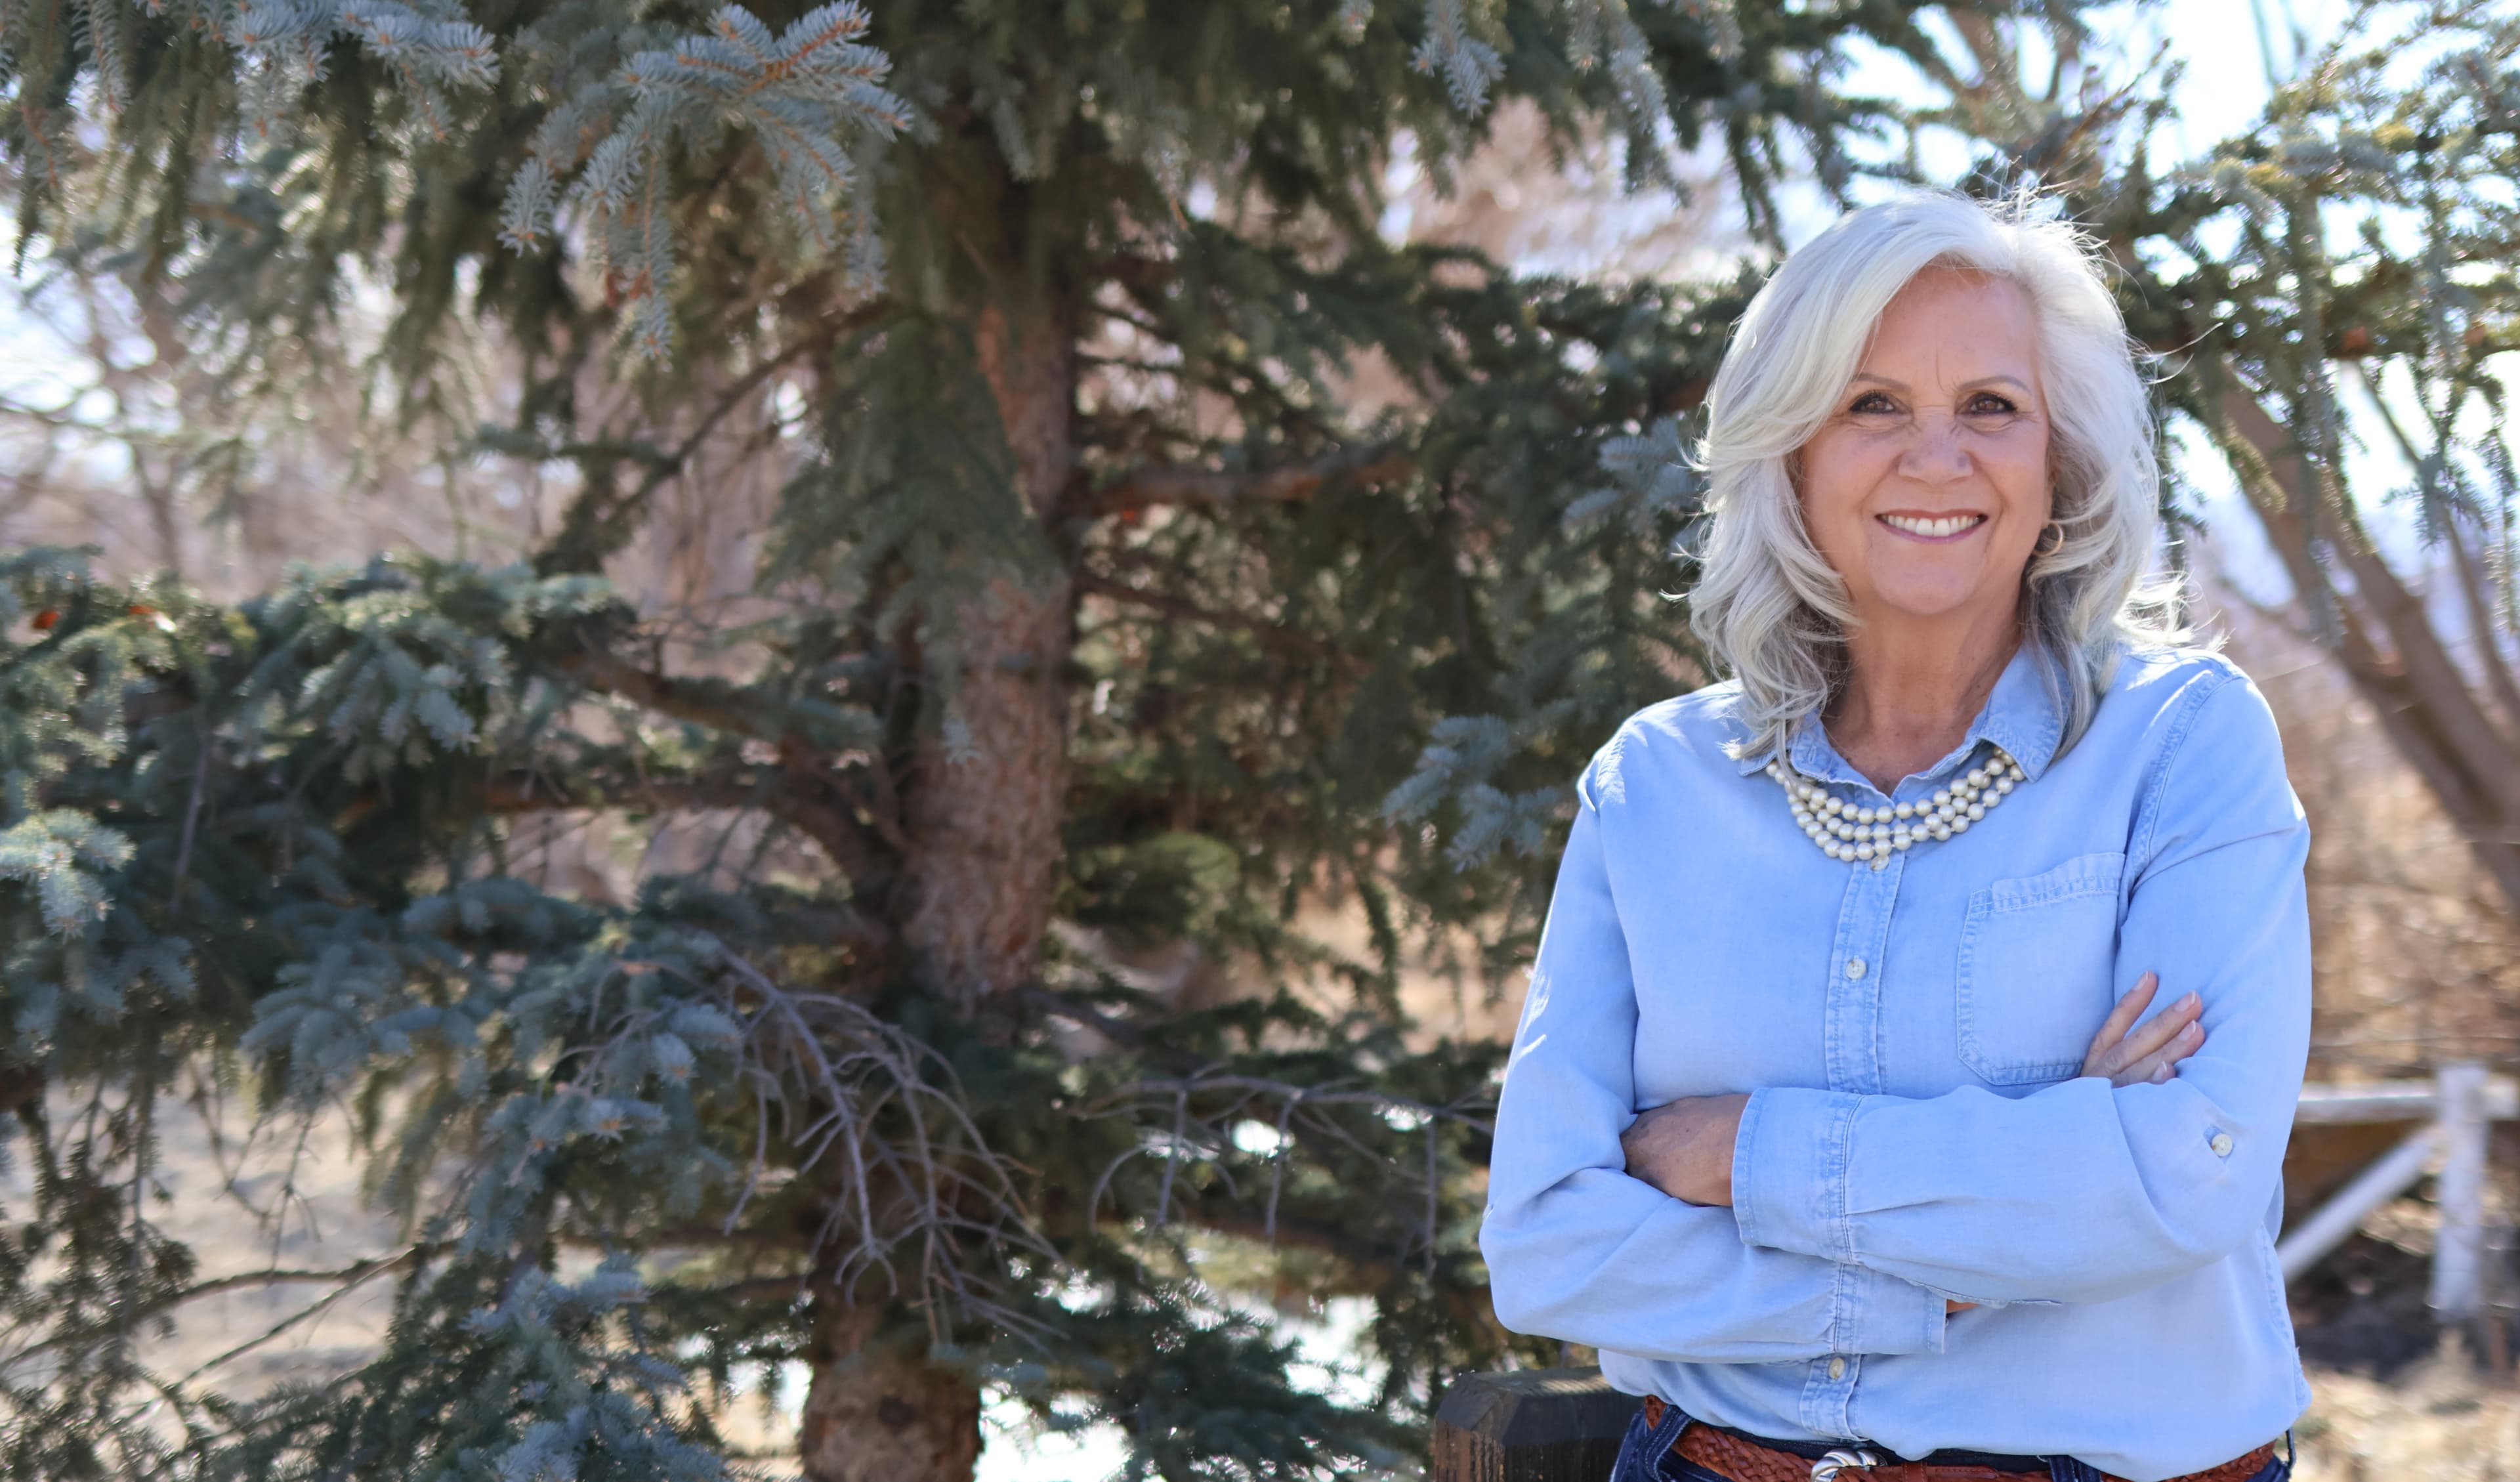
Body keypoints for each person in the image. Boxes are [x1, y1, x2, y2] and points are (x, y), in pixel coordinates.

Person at [1480, 190, 2310, 1482]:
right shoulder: (1655, 786)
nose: (1938, 458)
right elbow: (1548, 1239)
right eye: (1873, 404)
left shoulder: (2183, 748)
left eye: (1993, 405)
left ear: (2062, 461)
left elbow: (2179, 1177)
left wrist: (1736, 1154)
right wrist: (1984, 1236)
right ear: (1794, 451)